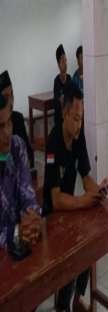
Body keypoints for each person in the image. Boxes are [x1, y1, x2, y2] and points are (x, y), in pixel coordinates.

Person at [43, 84, 108, 311]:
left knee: (89, 244)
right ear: (65, 113)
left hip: (70, 208)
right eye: (76, 118)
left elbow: (86, 177)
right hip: (52, 216)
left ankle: (77, 298)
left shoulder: (78, 136)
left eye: (81, 119)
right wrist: (84, 200)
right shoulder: (53, 143)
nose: (79, 124)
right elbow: (55, 200)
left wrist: (97, 191)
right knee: (70, 255)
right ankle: (63, 306)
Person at [0, 94, 42, 250]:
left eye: (9, 122)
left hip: (23, 241)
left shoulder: (17, 146)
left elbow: (27, 195)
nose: (7, 132)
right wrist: (17, 233)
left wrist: (33, 219)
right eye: (0, 126)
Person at [0, 70, 34, 168]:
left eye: (12, 94)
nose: (11, 100)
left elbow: (28, 152)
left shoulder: (18, 118)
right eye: (6, 96)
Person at [53, 44, 72, 127]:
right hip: (60, 119)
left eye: (66, 60)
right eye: (63, 61)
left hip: (69, 116)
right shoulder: (56, 81)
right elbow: (58, 102)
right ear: (58, 64)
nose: (65, 64)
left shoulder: (69, 78)